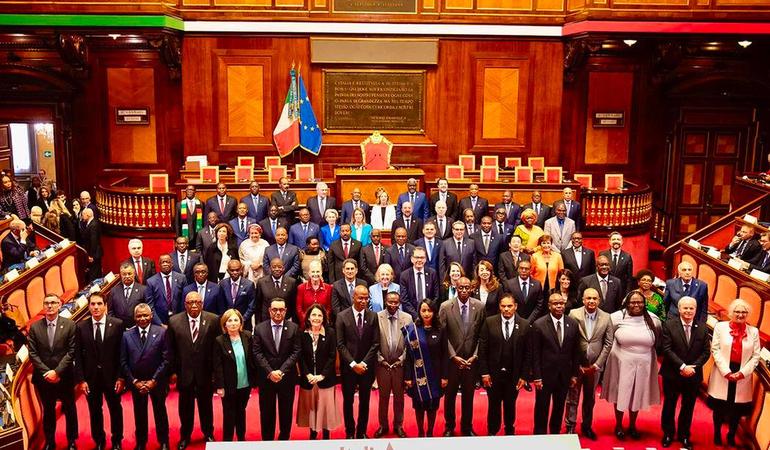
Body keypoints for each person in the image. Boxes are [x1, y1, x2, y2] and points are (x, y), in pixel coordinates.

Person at [601, 290, 662, 441]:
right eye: (633, 302)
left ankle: (633, 425)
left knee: (637, 394)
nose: (636, 305)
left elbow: (658, 337)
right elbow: (609, 336)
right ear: (627, 303)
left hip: (644, 363)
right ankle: (619, 425)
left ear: (644, 304)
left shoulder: (654, 319)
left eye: (640, 302)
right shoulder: (616, 317)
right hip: (622, 362)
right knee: (621, 393)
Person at [167, 291, 219, 448]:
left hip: (205, 373)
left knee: (206, 406)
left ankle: (208, 433)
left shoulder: (213, 319)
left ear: (202, 303)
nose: (194, 305)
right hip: (185, 373)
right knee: (185, 407)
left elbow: (216, 350)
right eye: (190, 302)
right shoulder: (174, 321)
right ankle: (185, 436)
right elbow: (171, 350)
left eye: (197, 302)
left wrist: (215, 374)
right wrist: (173, 372)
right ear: (185, 304)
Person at [707, 298, 761, 447]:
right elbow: (715, 349)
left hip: (742, 373)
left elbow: (756, 355)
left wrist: (743, 373)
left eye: (744, 312)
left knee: (736, 409)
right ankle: (717, 433)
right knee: (720, 406)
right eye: (737, 311)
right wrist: (726, 371)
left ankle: (731, 435)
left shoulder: (753, 331)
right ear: (731, 313)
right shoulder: (720, 327)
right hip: (723, 371)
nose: (740, 314)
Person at [28, 294, 78, 450]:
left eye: (53, 303)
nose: (49, 306)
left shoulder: (70, 325)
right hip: (44, 378)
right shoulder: (35, 327)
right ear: (43, 306)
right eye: (47, 303)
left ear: (59, 305)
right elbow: (33, 354)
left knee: (70, 408)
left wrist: (57, 372)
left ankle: (71, 441)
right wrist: (47, 372)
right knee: (48, 410)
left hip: (65, 376)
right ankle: (50, 441)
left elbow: (71, 351)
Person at [75, 294, 125, 450]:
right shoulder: (81, 327)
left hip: (112, 377)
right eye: (92, 304)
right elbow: (77, 355)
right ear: (88, 306)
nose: (95, 307)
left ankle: (117, 439)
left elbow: (122, 354)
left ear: (105, 306)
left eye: (99, 304)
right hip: (91, 379)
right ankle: (99, 440)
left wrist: (121, 377)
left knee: (115, 409)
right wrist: (81, 380)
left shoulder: (117, 324)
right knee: (94, 410)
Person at [660, 296, 711, 449]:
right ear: (679, 309)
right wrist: (682, 367)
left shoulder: (702, 327)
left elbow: (706, 352)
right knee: (669, 405)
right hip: (673, 373)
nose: (688, 311)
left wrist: (692, 367)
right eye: (685, 308)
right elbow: (666, 349)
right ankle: (668, 434)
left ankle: (684, 436)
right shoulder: (669, 325)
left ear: (696, 310)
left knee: (688, 407)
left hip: (693, 375)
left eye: (691, 308)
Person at [478, 293, 531, 436]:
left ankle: (509, 430)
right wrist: (484, 373)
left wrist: (524, 376)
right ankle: (492, 431)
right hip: (493, 375)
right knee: (493, 405)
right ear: (499, 307)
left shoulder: (525, 325)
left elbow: (528, 354)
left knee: (510, 404)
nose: (506, 309)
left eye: (509, 306)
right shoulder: (489, 322)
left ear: (515, 307)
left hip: (513, 375)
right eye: (503, 306)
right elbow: (482, 350)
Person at [120, 303, 171, 450]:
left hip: (156, 381)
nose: (142, 318)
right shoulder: (126, 335)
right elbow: (123, 361)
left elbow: (166, 359)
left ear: (151, 316)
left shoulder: (161, 332)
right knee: (139, 413)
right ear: (134, 317)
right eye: (139, 316)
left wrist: (154, 380)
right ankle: (141, 442)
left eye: (145, 315)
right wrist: (134, 381)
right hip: (137, 382)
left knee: (160, 411)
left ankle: (164, 441)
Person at [439, 277, 485, 436]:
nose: (464, 291)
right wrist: (452, 356)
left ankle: (467, 427)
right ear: (455, 288)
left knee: (468, 396)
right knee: (450, 396)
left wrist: (475, 355)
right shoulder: (445, 307)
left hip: (471, 361)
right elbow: (442, 335)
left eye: (467, 288)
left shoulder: (479, 306)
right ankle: (449, 426)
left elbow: (482, 335)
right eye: (461, 288)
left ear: (471, 288)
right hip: (453, 361)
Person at [565, 288, 613, 439]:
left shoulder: (606, 317)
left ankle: (587, 426)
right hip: (576, 365)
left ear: (599, 300)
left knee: (589, 398)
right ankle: (570, 426)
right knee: (572, 396)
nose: (591, 301)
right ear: (583, 300)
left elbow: (608, 343)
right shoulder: (573, 314)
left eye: (594, 298)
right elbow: (568, 340)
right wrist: (574, 364)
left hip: (595, 367)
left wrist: (597, 365)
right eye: (588, 298)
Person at [253, 298, 302, 440]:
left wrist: (281, 371)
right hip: (266, 378)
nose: (278, 313)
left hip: (286, 377)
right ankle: (267, 441)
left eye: (281, 310)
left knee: (286, 412)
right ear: (269, 311)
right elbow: (257, 352)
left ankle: (284, 440)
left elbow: (296, 352)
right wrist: (270, 372)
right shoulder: (260, 328)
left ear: (286, 311)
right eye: (275, 310)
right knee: (267, 412)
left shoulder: (293, 328)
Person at [531, 293, 580, 435]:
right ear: (549, 305)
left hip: (564, 375)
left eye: (561, 303)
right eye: (555, 303)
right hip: (545, 375)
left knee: (559, 407)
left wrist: (574, 375)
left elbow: (575, 352)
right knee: (542, 407)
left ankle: (555, 434)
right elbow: (535, 354)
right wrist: (537, 376)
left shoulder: (572, 324)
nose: (559, 306)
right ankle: (539, 435)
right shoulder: (539, 324)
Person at [336, 285, 380, 439]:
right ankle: (349, 432)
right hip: (349, 368)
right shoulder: (342, 316)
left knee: (364, 401)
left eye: (366, 297)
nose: (363, 301)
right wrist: (354, 364)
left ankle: (361, 432)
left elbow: (375, 343)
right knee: (348, 402)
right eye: (360, 297)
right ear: (353, 297)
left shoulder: (373, 316)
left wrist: (364, 364)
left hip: (366, 368)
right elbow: (340, 345)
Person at [297, 304, 341, 440]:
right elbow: (300, 357)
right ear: (308, 317)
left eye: (320, 315)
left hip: (325, 379)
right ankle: (313, 435)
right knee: (312, 410)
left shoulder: (330, 333)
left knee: (325, 410)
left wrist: (322, 375)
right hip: (309, 380)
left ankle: (326, 437)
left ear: (324, 318)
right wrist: (308, 374)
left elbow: (332, 356)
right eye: (314, 315)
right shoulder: (302, 333)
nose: (316, 318)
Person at [404, 299, 446, 437]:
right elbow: (409, 357)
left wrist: (445, 376)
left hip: (436, 375)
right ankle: (421, 431)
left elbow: (444, 354)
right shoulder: (413, 330)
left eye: (429, 310)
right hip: (418, 375)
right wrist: (408, 377)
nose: (426, 314)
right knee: (420, 406)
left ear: (434, 312)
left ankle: (430, 432)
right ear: (419, 312)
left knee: (433, 406)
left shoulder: (440, 330)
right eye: (423, 310)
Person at [213, 309, 256, 442]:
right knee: (229, 414)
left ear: (241, 322)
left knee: (241, 412)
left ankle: (241, 439)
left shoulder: (248, 336)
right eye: (229, 321)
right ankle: (228, 440)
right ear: (224, 324)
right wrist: (220, 386)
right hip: (228, 385)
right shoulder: (219, 341)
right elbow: (217, 366)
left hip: (245, 383)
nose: (233, 323)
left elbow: (252, 360)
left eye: (236, 320)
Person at [374, 292, 413, 438]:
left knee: (399, 398)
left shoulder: (407, 318)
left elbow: (410, 344)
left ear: (399, 302)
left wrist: (402, 359)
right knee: (383, 398)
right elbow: (374, 342)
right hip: (382, 364)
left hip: (399, 365)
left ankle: (398, 425)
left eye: (396, 302)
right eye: (390, 302)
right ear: (385, 301)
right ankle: (383, 425)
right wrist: (380, 359)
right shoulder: (377, 317)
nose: (393, 305)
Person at [145, 254, 187, 325]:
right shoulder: (151, 282)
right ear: (159, 265)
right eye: (163, 262)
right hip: (160, 322)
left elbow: (185, 300)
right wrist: (160, 324)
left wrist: (181, 320)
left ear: (172, 264)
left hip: (179, 320)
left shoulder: (181, 278)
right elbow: (150, 306)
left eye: (167, 262)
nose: (165, 264)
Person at [399, 246, 439, 319]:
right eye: (417, 257)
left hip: (429, 315)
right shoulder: (404, 275)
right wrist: (417, 316)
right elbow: (404, 300)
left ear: (425, 259)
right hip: (411, 316)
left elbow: (436, 296)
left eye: (422, 257)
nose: (419, 260)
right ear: (412, 259)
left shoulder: (432, 273)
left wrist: (427, 313)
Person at [255, 258, 298, 323]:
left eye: (280, 267)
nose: (277, 269)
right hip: (266, 321)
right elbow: (258, 306)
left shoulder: (291, 282)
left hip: (285, 321)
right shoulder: (261, 282)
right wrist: (258, 324)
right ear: (270, 268)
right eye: (274, 267)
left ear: (283, 268)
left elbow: (293, 306)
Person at [108, 263, 148, 329]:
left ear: (134, 274)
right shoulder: (114, 291)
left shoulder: (143, 290)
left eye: (129, 273)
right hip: (119, 328)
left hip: (138, 327)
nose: (127, 276)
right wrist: (116, 325)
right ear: (120, 275)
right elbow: (110, 311)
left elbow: (147, 310)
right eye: (124, 274)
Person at [219, 259, 257, 327]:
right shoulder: (222, 284)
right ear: (228, 271)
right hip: (228, 323)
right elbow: (221, 304)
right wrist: (226, 319)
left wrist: (242, 320)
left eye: (237, 270)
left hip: (244, 323)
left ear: (241, 270)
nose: (235, 272)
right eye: (232, 270)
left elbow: (252, 306)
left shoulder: (249, 285)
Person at [296, 260, 332, 327]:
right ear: (309, 273)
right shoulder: (301, 288)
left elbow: (329, 308)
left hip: (323, 325)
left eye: (318, 271)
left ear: (321, 272)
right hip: (306, 325)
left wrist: (321, 320)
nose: (315, 274)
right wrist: (307, 321)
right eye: (313, 271)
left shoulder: (328, 288)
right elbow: (299, 308)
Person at [530, 234, 564, 298]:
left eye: (548, 243)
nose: (546, 245)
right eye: (544, 243)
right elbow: (531, 273)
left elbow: (561, 272)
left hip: (553, 288)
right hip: (538, 288)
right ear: (540, 245)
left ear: (551, 244)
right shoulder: (535, 256)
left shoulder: (558, 256)